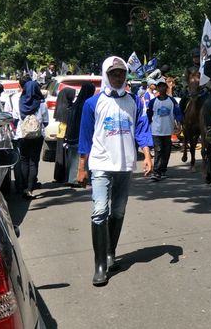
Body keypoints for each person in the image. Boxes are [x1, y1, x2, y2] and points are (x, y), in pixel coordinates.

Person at [77, 56, 153, 286]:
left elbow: (141, 128)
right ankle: (100, 264)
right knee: (100, 211)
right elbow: (85, 136)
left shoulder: (134, 101)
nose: (118, 77)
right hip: (100, 164)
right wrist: (82, 167)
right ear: (106, 76)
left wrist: (147, 155)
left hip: (125, 165)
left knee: (118, 212)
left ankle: (111, 253)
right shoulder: (93, 103)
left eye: (121, 73)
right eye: (113, 74)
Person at [16, 78, 49, 199]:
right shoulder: (41, 104)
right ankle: (30, 190)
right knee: (33, 162)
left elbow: (15, 118)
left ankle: (23, 188)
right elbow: (45, 122)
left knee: (24, 161)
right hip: (37, 136)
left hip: (22, 135)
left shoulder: (20, 102)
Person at [147, 77, 183, 180]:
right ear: (157, 88)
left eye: (163, 86)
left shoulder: (171, 101)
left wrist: (179, 124)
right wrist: (149, 126)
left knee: (166, 152)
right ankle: (156, 172)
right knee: (158, 150)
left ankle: (163, 170)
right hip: (156, 131)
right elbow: (149, 115)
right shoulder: (153, 102)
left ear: (166, 88)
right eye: (160, 86)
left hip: (168, 131)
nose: (162, 88)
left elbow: (177, 113)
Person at [65, 82, 96, 187]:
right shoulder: (87, 104)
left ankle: (72, 178)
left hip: (72, 134)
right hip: (81, 134)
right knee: (83, 157)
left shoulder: (76, 103)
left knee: (73, 157)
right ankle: (82, 177)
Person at [53, 88, 76, 183]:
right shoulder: (69, 108)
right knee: (66, 156)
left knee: (60, 155)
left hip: (61, 133)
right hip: (66, 133)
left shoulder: (61, 106)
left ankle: (59, 176)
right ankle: (66, 177)